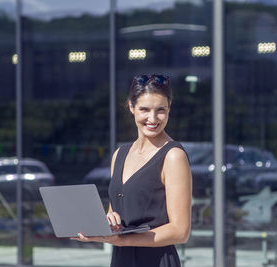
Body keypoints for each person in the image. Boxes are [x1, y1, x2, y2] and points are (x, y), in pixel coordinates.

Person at [71, 74, 192, 267]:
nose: (153, 119)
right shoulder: (119, 154)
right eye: (144, 109)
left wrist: (122, 240)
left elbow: (180, 231)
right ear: (131, 107)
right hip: (121, 259)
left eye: (161, 110)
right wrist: (105, 224)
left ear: (169, 108)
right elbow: (115, 214)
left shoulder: (173, 156)